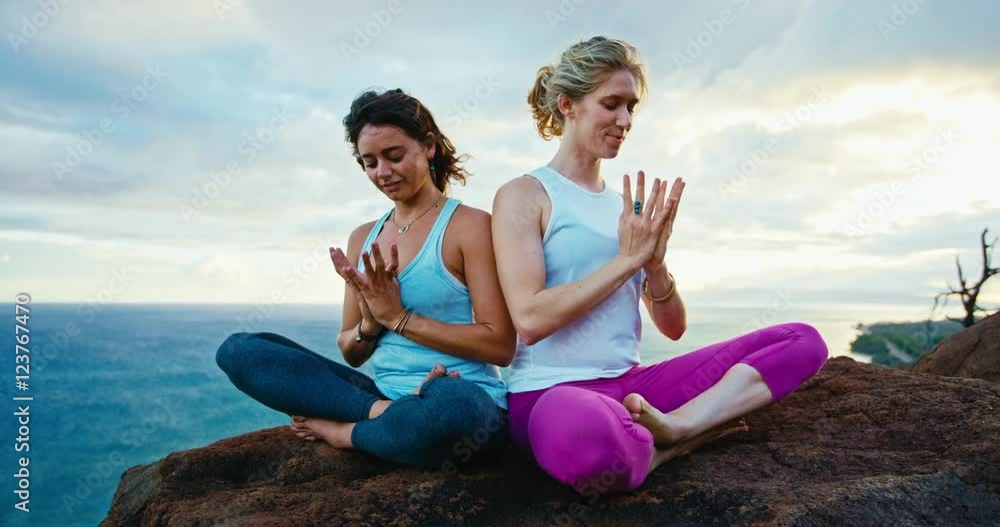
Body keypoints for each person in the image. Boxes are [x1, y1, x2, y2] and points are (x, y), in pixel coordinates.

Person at [491, 36, 829, 495]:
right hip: (553, 395)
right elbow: (529, 320)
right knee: (592, 442)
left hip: (633, 389)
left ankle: (677, 428)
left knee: (802, 342)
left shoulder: (623, 208)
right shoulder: (524, 194)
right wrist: (627, 258)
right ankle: (674, 445)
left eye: (631, 107)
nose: (625, 121)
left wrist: (654, 266)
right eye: (611, 104)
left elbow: (673, 329)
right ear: (567, 104)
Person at [217, 88, 515, 469]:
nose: (383, 173)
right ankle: (386, 414)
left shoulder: (470, 227)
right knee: (239, 350)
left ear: (428, 147)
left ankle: (346, 433)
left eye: (394, 156)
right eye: (369, 162)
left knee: (460, 414)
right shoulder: (363, 238)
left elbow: (500, 344)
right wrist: (372, 322)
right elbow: (351, 352)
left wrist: (398, 318)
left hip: (459, 394)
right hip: (380, 394)